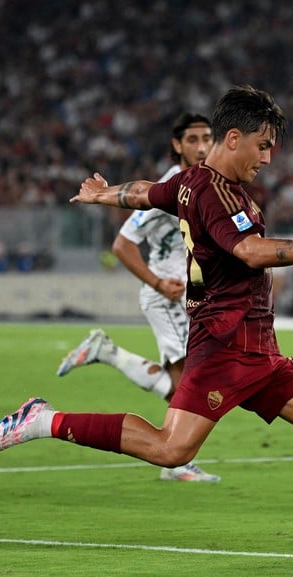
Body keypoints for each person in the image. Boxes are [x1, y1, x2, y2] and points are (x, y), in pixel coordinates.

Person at [0, 85, 293, 563]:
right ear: (234, 137)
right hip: (224, 347)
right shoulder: (217, 193)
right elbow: (249, 251)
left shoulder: (189, 181)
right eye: (263, 146)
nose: (267, 159)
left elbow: (144, 194)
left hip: (258, 350)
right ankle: (43, 421)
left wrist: (104, 195)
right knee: (171, 449)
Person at [56, 112, 219, 483]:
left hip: (185, 296)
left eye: (207, 138)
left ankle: (107, 352)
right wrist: (160, 284)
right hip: (168, 295)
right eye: (192, 139)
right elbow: (122, 244)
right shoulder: (166, 188)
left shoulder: (201, 183)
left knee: (184, 383)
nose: (201, 146)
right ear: (177, 145)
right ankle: (177, 462)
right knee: (186, 386)